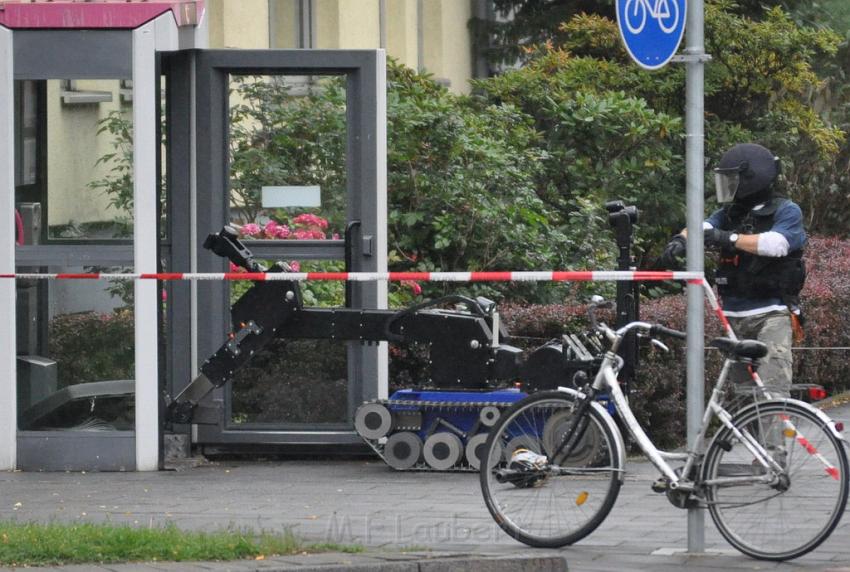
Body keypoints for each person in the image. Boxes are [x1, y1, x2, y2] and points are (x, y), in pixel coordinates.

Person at [660, 143, 807, 400]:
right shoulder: (729, 213)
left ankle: (771, 443)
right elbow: (701, 227)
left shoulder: (787, 211)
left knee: (771, 396)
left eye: (732, 180)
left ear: (750, 180)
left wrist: (728, 238)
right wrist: (681, 240)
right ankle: (748, 441)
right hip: (732, 317)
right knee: (742, 399)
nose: (728, 186)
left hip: (770, 317)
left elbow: (776, 244)